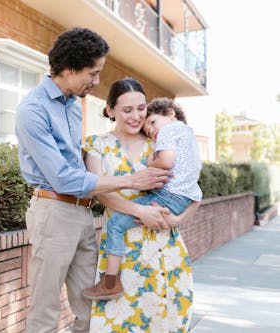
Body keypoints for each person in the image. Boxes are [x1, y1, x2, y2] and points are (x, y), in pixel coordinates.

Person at [15, 29, 172, 333]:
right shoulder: (32, 110)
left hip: (83, 212)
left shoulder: (72, 105)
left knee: (92, 312)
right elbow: (62, 178)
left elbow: (77, 165)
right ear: (70, 69)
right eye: (93, 72)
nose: (97, 81)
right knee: (45, 311)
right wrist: (130, 180)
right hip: (53, 211)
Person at [82, 78, 199, 332]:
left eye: (141, 108)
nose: (136, 117)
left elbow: (193, 189)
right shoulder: (97, 145)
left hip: (164, 247)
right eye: (127, 110)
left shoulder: (159, 142)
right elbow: (99, 191)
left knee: (164, 322)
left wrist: (178, 220)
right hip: (121, 254)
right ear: (111, 110)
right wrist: (139, 210)